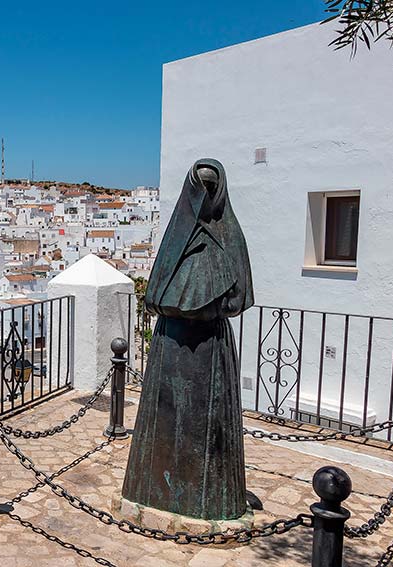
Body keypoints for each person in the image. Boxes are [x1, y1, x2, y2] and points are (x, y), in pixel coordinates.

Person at [122, 158, 253, 521]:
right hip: (171, 347)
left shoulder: (230, 238)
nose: (205, 195)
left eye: (212, 187)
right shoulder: (176, 239)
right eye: (200, 187)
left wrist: (203, 300)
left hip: (210, 349)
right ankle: (153, 489)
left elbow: (239, 296)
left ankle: (209, 498)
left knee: (206, 432)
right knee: (165, 425)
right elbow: (156, 296)